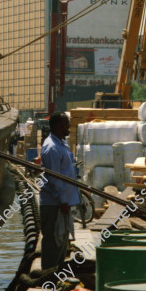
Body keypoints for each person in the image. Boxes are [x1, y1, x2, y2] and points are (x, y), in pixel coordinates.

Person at [39, 112, 80, 270]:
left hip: (62, 203)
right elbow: (54, 179)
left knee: (62, 241)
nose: (68, 126)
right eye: (65, 123)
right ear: (57, 125)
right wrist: (63, 201)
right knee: (52, 241)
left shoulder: (61, 144)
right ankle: (47, 276)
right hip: (54, 203)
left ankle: (57, 275)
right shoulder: (51, 148)